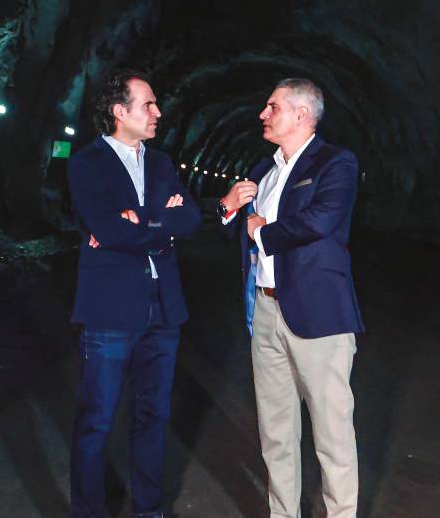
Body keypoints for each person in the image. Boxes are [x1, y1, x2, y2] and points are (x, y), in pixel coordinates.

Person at [218, 78, 365, 517]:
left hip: (319, 313)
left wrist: (261, 229)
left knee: (332, 432)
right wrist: (228, 210)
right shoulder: (263, 171)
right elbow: (243, 234)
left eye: (272, 106)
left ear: (302, 113)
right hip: (265, 311)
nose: (263, 114)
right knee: (276, 432)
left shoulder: (336, 163)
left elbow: (321, 221)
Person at [68, 69, 201, 518]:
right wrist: (157, 223)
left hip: (164, 313)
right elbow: (105, 227)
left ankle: (149, 510)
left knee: (153, 418)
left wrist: (139, 223)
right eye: (148, 104)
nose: (158, 112)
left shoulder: (162, 163)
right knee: (97, 421)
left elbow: (191, 219)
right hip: (109, 313)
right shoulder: (87, 163)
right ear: (118, 112)